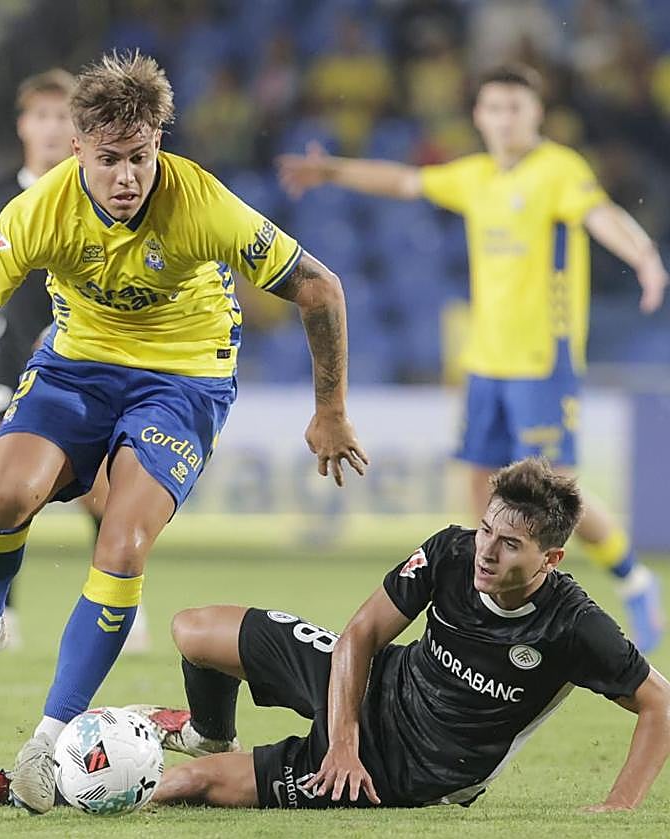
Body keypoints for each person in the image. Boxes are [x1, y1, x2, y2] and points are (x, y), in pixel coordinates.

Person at [0, 51, 368, 814]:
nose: (128, 177)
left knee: (124, 544)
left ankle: (46, 742)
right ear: (76, 150)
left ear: (158, 146)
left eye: (141, 157)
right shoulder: (39, 209)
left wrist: (330, 408)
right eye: (110, 160)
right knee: (3, 498)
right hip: (77, 367)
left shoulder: (202, 202)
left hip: (184, 381)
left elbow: (319, 287)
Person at [0, 458, 670, 813]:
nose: (486, 551)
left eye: (508, 546)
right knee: (193, 631)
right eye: (486, 532)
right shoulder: (449, 552)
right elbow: (359, 635)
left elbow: (658, 704)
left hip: (406, 770)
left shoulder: (574, 626)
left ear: (550, 558)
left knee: (182, 788)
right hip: (371, 692)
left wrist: (619, 809)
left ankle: (7, 789)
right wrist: (343, 727)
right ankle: (208, 731)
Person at [277, 63, 668, 651]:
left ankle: (632, 579)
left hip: (543, 360)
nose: (505, 118)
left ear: (536, 114)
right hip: (486, 361)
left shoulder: (558, 170)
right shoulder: (476, 176)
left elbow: (601, 215)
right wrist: (332, 170)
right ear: (479, 116)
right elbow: (407, 182)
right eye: (494, 108)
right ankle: (482, 597)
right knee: (481, 484)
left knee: (559, 492)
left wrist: (644, 257)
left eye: (516, 107)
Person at [0, 68, 147, 653]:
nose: (49, 129)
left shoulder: (107, 199)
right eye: (39, 116)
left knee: (101, 495)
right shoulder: (3, 200)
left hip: (87, 369)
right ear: (23, 126)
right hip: (13, 370)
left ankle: (120, 597)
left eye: (60, 118)